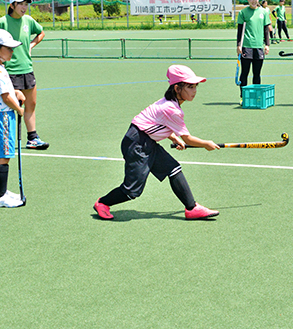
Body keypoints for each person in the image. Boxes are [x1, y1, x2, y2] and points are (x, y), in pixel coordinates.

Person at [93, 65, 220, 220]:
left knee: (173, 168)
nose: (194, 91)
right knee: (132, 191)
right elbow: (188, 138)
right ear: (177, 88)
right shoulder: (171, 108)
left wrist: (173, 137)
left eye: (195, 87)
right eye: (190, 87)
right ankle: (102, 203)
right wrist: (206, 144)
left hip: (145, 140)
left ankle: (192, 208)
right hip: (137, 144)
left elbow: (156, 124)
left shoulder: (169, 103)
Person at [0, 0, 48, 150]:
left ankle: (32, 138)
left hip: (27, 68)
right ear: (12, 5)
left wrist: (31, 45)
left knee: (31, 104)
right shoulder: (2, 22)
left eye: (26, 4)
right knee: (10, 106)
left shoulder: (29, 21)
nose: (24, 7)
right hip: (10, 71)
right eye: (21, 4)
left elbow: (41, 32)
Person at [0, 29, 26, 208]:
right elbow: (5, 97)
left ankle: (2, 192)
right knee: (3, 155)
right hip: (3, 116)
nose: (12, 51)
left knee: (4, 154)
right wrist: (19, 109)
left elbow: (7, 92)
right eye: (8, 48)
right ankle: (0, 197)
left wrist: (15, 92)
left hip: (2, 115)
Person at [237, 0, 271, 96]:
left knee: (257, 73)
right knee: (245, 73)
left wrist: (267, 45)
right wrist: (239, 45)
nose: (253, 0)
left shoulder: (263, 12)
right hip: (246, 46)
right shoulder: (243, 12)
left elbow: (266, 30)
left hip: (259, 47)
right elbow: (240, 30)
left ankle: (256, 96)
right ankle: (243, 96)